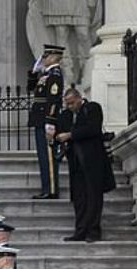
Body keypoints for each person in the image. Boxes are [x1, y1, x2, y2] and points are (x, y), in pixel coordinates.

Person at [57, 87, 111, 242]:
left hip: (93, 160)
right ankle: (80, 230)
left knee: (94, 196)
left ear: (79, 99)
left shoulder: (92, 108)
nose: (70, 106)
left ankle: (93, 230)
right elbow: (60, 131)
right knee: (79, 198)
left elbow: (93, 129)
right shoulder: (66, 115)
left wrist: (71, 135)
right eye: (67, 104)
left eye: (72, 103)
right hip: (76, 161)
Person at [28, 45, 66, 199]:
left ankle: (51, 189)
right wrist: (33, 73)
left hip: (46, 120)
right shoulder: (46, 74)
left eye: (46, 56)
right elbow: (30, 88)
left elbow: (54, 100)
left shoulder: (55, 75)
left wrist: (50, 122)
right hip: (39, 119)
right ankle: (46, 188)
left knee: (48, 157)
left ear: (54, 57)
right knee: (43, 156)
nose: (44, 59)